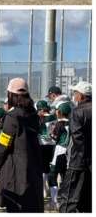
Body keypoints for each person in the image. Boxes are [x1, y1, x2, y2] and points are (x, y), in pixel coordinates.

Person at [0, 78, 43, 212]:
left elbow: (3, 144)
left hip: (16, 173)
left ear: (11, 95)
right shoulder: (33, 115)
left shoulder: (12, 116)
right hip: (34, 170)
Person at [58, 81, 92, 213]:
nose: (74, 95)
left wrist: (83, 160)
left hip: (78, 163)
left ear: (81, 96)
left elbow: (78, 139)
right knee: (88, 201)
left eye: (75, 93)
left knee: (68, 199)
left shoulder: (77, 112)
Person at [47, 101, 71, 210]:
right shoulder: (72, 123)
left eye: (57, 110)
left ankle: (54, 202)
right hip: (68, 152)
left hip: (59, 151)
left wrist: (51, 134)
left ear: (60, 112)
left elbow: (54, 138)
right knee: (65, 176)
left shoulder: (59, 124)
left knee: (52, 175)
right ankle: (64, 201)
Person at [36, 99, 56, 199]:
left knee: (43, 169)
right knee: (48, 169)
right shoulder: (54, 117)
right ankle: (48, 191)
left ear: (41, 110)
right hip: (52, 145)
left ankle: (44, 191)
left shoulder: (40, 119)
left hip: (43, 145)